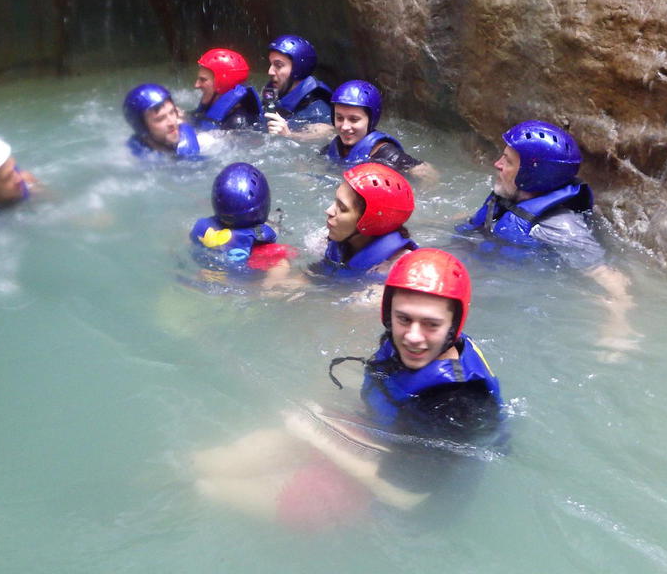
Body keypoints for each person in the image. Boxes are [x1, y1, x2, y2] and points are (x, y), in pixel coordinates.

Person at [193, 248, 507, 527]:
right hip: (382, 445)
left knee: (209, 488)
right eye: (403, 319)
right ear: (389, 314)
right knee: (210, 463)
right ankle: (180, 469)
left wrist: (318, 434)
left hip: (402, 505)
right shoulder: (412, 347)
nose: (413, 336)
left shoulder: (456, 405)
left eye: (430, 324)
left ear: (454, 325)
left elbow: (406, 497)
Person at [455, 120, 636, 358]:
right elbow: (478, 221)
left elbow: (612, 280)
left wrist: (618, 326)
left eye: (508, 161)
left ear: (532, 175)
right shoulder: (512, 197)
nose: (497, 164)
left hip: (531, 297)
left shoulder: (560, 227)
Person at [190, 162, 297, 285]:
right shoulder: (263, 244)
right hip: (244, 283)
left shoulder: (203, 229)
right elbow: (272, 287)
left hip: (208, 274)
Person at [311, 162, 417, 282]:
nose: (329, 211)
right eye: (335, 202)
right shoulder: (324, 241)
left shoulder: (401, 268)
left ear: (369, 222)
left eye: (342, 208)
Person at [319, 80, 437, 184]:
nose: (344, 126)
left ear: (371, 120)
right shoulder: (331, 148)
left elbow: (425, 172)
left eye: (354, 120)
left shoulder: (387, 154)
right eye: (339, 118)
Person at [260, 35, 334, 139]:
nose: (270, 71)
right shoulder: (272, 91)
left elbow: (326, 133)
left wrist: (289, 135)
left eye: (278, 65)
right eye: (271, 64)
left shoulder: (317, 106)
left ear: (298, 70)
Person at [123, 83, 204, 160]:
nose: (172, 122)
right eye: (160, 119)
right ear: (143, 127)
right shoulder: (136, 159)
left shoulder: (204, 140)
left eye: (172, 112)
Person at [192, 48, 262, 131]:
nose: (196, 85)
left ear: (223, 84)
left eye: (203, 80)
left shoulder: (238, 124)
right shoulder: (210, 109)